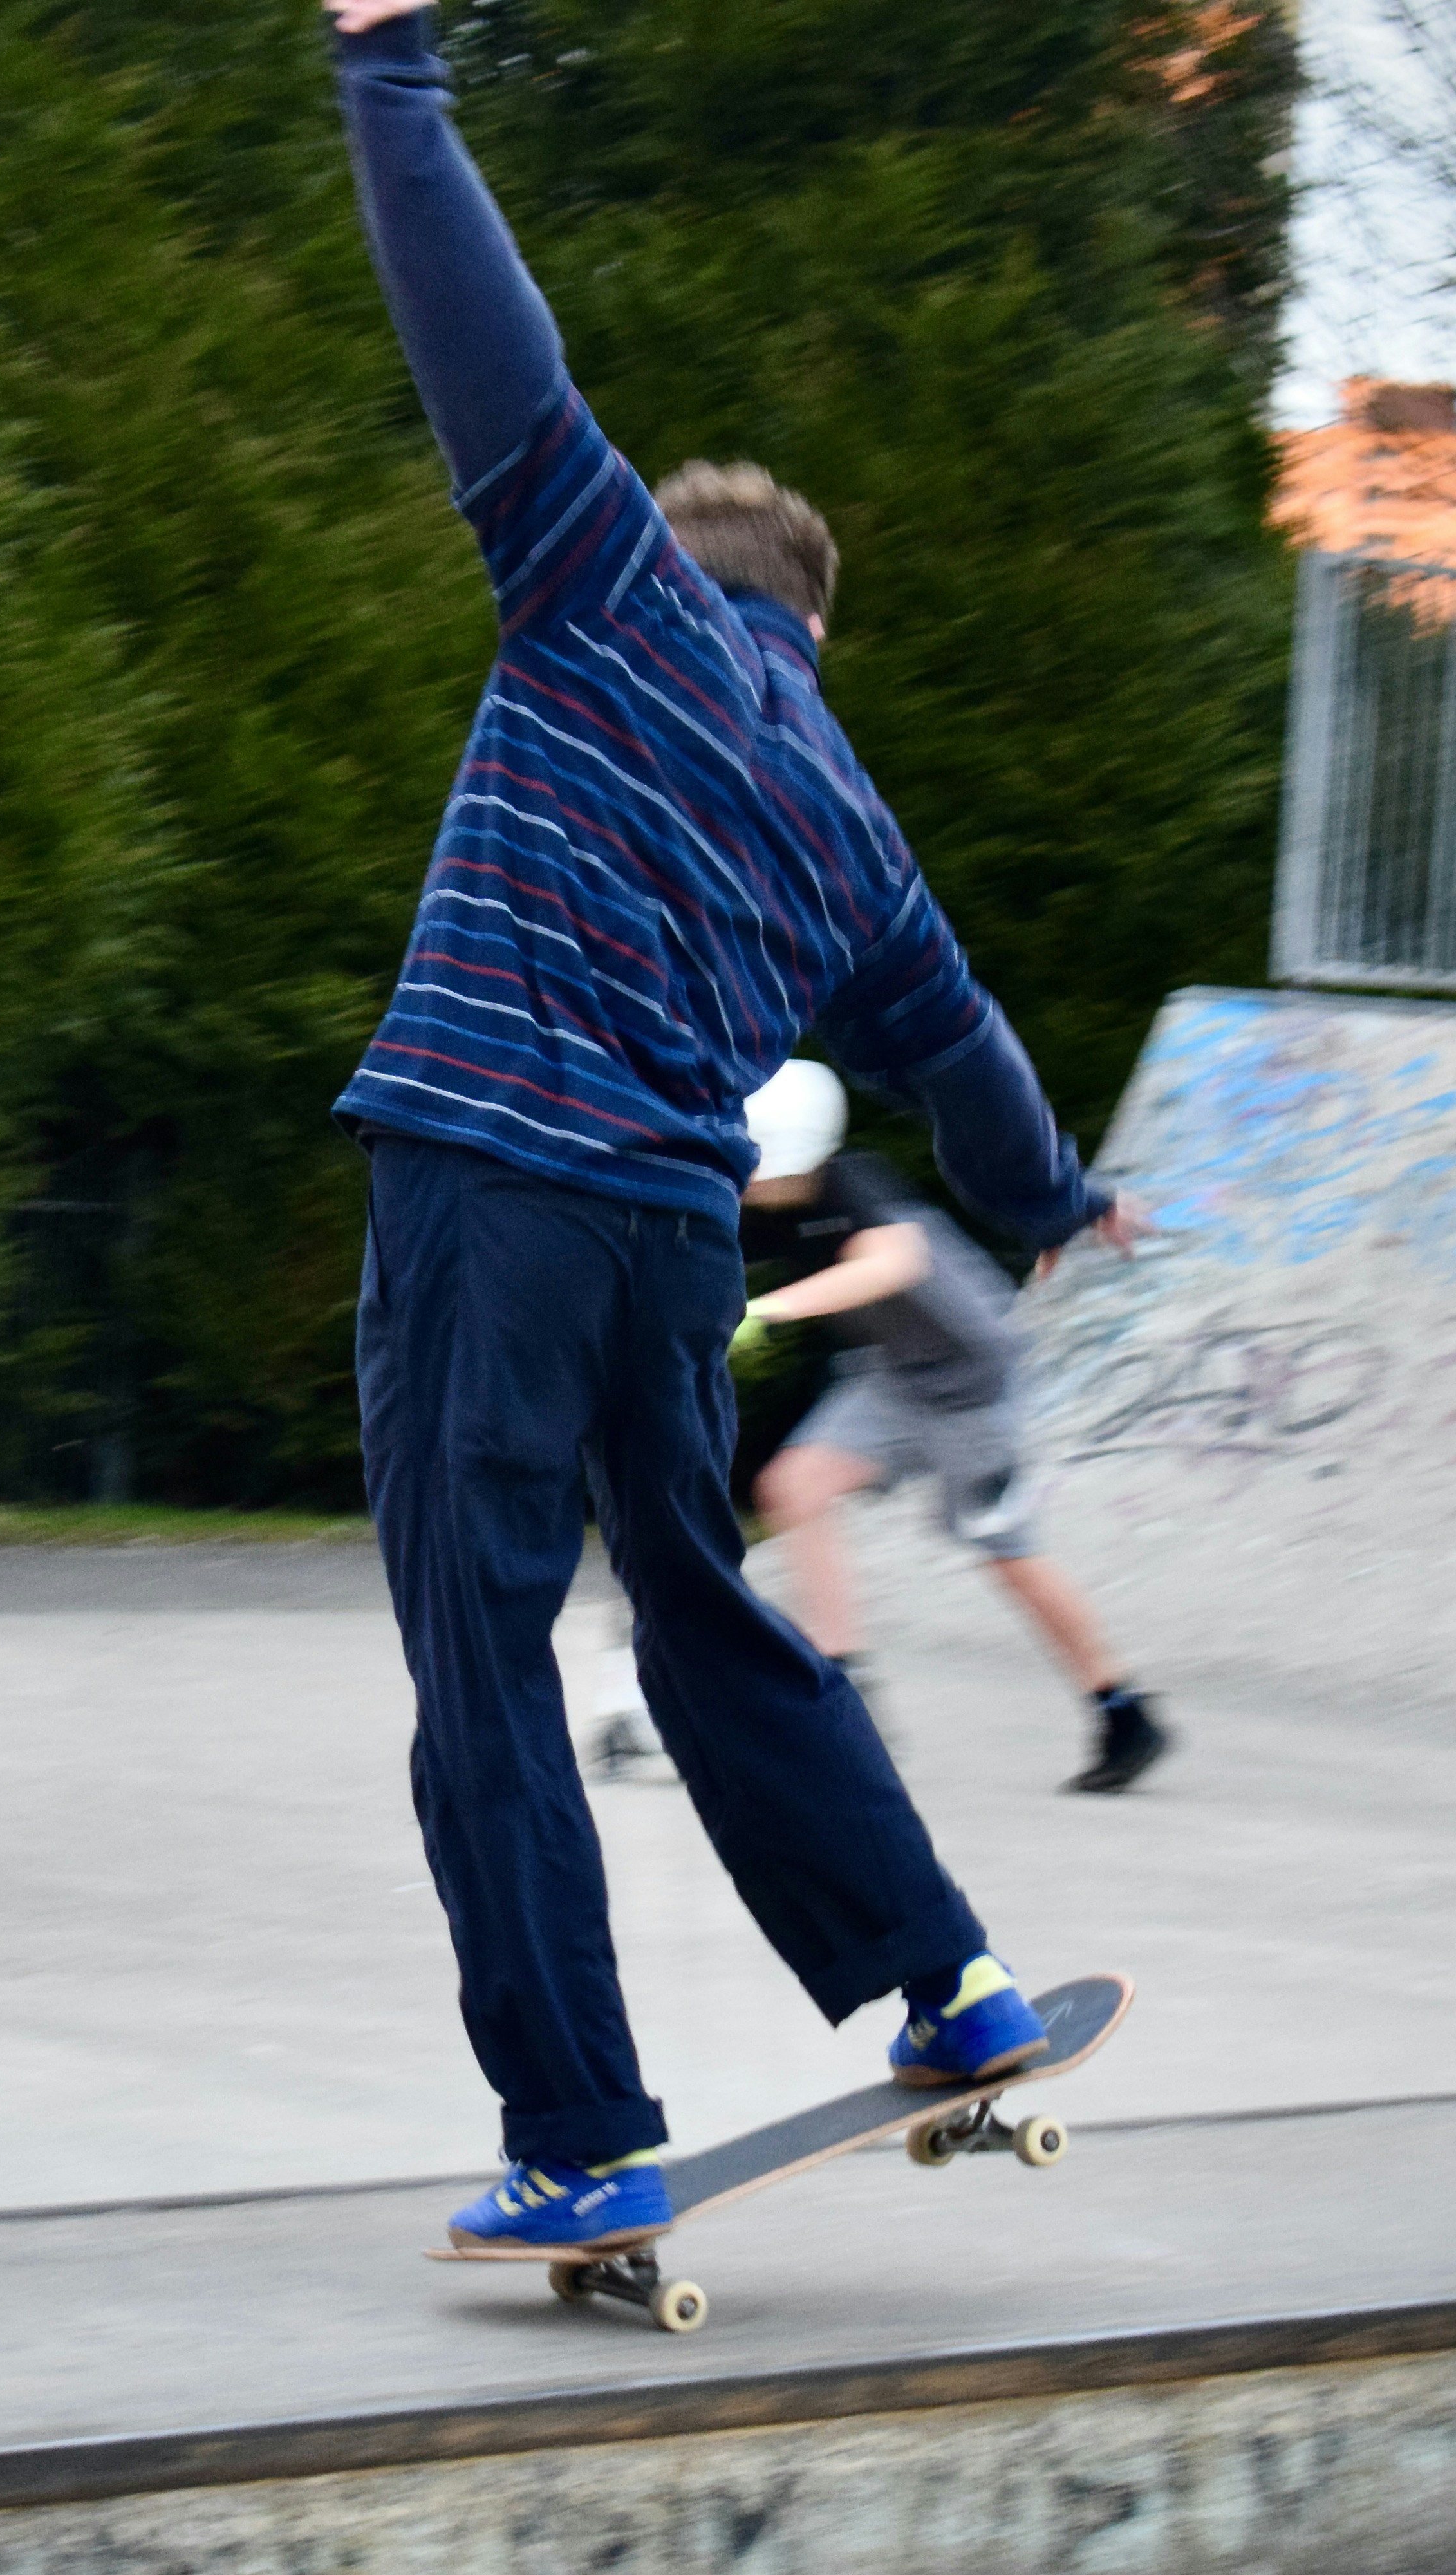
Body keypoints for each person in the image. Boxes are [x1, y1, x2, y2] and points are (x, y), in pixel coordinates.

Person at [322, 0, 1107, 2256]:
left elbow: (489, 339)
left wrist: (390, 65)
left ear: (684, 561)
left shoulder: (604, 590)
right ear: (822, 632)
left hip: (493, 1192)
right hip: (670, 1243)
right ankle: (945, 1985)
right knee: (698, 1599)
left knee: (482, 1662)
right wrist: (1050, 1202)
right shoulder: (845, 808)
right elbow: (959, 1044)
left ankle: (581, 2131)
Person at [733, 1062, 1173, 1795]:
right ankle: (848, 1693)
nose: (744, 1178)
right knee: (794, 1486)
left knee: (1003, 1552)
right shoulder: (764, 1204)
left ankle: (1122, 1709)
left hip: (974, 1388)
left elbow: (891, 1263)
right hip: (893, 1381)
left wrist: (769, 1312)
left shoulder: (853, 1183)